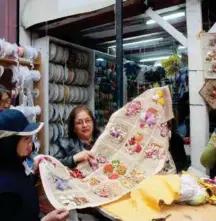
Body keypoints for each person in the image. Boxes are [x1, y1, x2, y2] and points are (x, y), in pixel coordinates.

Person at [0, 109, 70, 221]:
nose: (31, 144)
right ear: (9, 142)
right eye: (26, 139)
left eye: (31, 138)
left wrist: (36, 176)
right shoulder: (5, 188)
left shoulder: (17, 165)